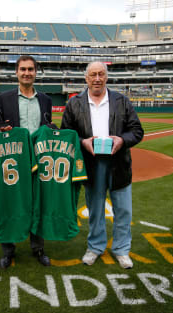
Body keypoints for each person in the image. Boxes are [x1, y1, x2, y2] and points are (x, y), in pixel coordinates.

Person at [61, 61, 144, 269]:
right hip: (90, 163)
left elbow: (137, 131)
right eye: (93, 75)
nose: (97, 78)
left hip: (119, 163)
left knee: (123, 209)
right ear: (86, 78)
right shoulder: (74, 103)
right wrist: (82, 142)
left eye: (101, 74)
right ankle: (95, 247)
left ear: (106, 77)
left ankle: (122, 249)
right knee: (95, 209)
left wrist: (122, 140)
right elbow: (66, 134)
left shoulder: (122, 101)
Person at [0, 55, 52, 269]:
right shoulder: (3, 98)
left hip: (39, 161)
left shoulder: (45, 100)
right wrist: (1, 129)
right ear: (17, 72)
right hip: (14, 161)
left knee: (38, 205)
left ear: (36, 72)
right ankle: (8, 251)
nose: (27, 73)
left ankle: (38, 248)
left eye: (31, 69)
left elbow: (47, 127)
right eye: (23, 69)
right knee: (10, 205)